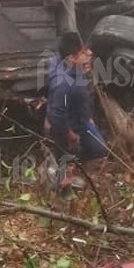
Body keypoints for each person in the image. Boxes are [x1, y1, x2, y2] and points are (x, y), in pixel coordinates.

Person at [44, 31, 107, 189]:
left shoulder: (67, 65)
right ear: (72, 58)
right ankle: (60, 177)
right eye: (83, 52)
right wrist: (70, 135)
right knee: (71, 159)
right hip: (67, 128)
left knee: (99, 148)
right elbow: (58, 114)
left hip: (80, 119)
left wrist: (88, 116)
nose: (89, 53)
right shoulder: (64, 85)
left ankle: (75, 169)